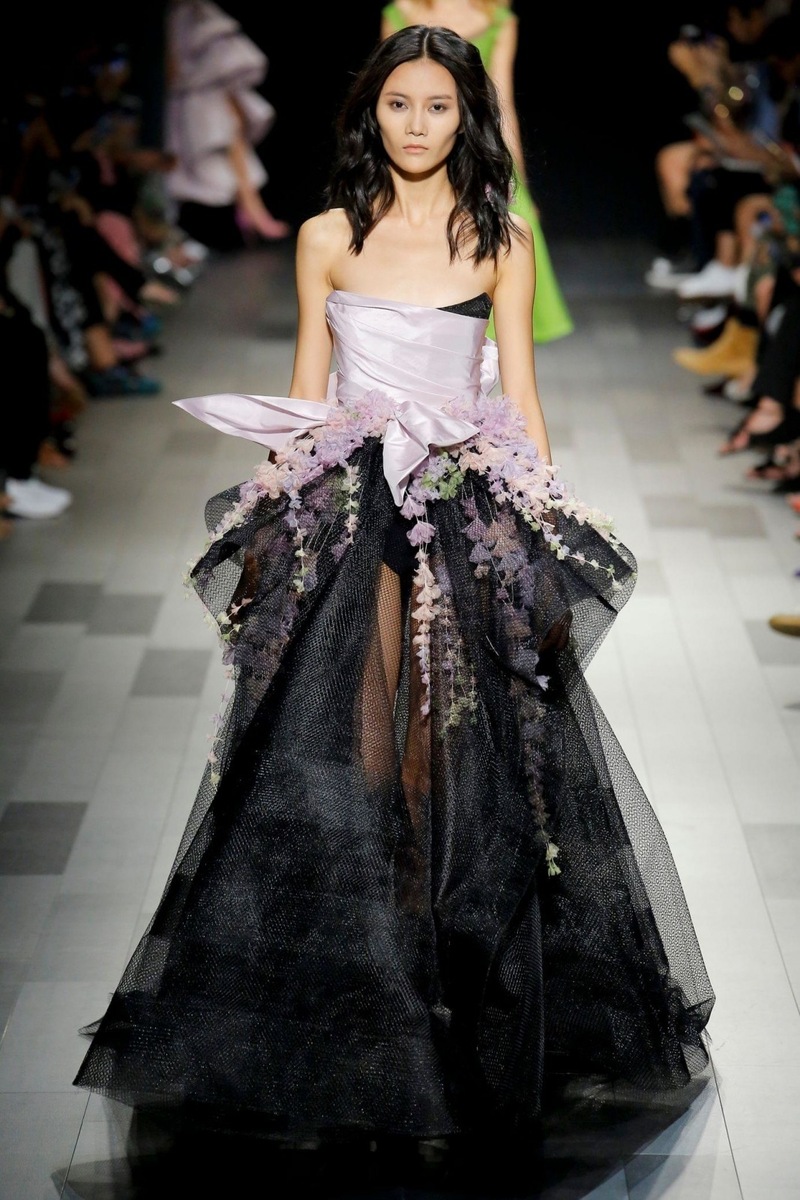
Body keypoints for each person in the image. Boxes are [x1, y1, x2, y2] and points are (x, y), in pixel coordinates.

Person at [73, 26, 714, 1150]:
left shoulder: (499, 240)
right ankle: (361, 998)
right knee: (356, 755)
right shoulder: (327, 235)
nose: (416, 125)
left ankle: (442, 993)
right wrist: (277, 527)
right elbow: (306, 398)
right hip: (352, 505)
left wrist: (537, 528)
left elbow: (519, 397)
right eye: (398, 104)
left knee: (453, 764)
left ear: (468, 116)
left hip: (461, 498)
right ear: (370, 112)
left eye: (438, 106)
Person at [380, 0, 574, 344]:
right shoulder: (399, 14)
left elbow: (501, 103)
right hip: (417, 161)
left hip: (479, 157)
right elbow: (387, 95)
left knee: (509, 260)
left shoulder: (498, 20)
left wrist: (518, 182)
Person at [165, 0, 291, 251]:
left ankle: (252, 211)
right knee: (208, 157)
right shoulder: (178, 16)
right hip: (194, 97)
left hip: (211, 94)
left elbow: (227, 57)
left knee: (234, 147)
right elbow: (173, 70)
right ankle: (251, 212)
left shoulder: (198, 11)